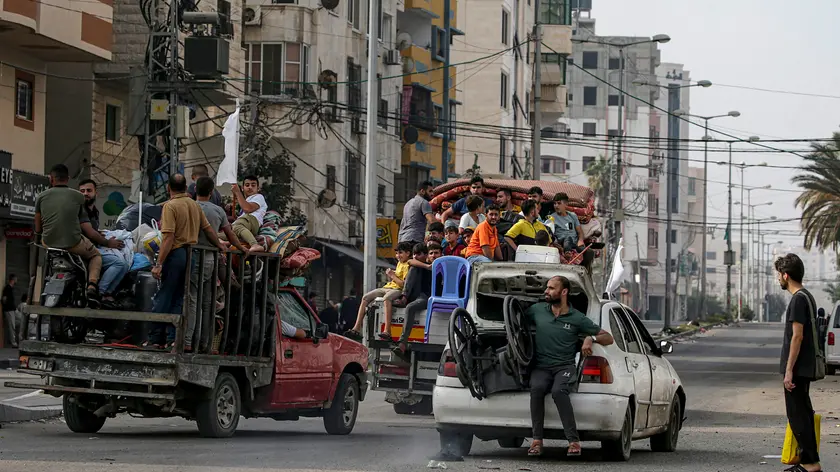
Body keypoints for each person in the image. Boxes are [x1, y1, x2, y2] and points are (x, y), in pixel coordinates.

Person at [526, 275, 613, 457]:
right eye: (547, 288)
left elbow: (608, 338)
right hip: (541, 366)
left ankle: (573, 441)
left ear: (564, 292)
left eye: (551, 288)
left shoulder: (577, 318)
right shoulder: (537, 310)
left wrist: (590, 338)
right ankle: (536, 441)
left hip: (564, 367)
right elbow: (514, 322)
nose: (546, 291)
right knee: (537, 389)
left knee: (559, 392)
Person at [147, 174, 225, 348]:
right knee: (179, 298)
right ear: (186, 187)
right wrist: (220, 245)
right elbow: (208, 229)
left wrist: (159, 264)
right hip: (191, 256)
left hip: (175, 255)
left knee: (164, 296)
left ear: (169, 188)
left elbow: (168, 238)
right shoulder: (193, 205)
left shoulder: (170, 206)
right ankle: (172, 339)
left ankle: (155, 339)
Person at [35, 164, 123, 301]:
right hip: (73, 243)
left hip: (49, 243)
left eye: (89, 190)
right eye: (84, 190)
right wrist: (107, 242)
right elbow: (87, 229)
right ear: (68, 179)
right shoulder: (77, 197)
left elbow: (38, 228)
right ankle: (92, 286)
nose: (86, 193)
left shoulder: (40, 197)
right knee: (96, 256)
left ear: (51, 179)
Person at [189, 176, 249, 351]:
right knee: (207, 302)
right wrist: (240, 248)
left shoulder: (188, 207)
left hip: (191, 256)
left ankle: (189, 341)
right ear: (211, 192)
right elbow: (230, 234)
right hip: (210, 258)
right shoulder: (218, 211)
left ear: (194, 191)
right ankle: (205, 343)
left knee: (192, 300)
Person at [775, 253, 821, 472]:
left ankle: (810, 464)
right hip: (804, 367)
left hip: (799, 368)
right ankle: (808, 461)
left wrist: (789, 371)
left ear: (786, 275)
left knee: (798, 415)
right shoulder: (807, 296)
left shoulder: (797, 300)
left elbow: (798, 336)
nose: (778, 280)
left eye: (779, 275)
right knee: (803, 413)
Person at [346, 242, 413, 340]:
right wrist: (393, 274)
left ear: (408, 253)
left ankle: (387, 330)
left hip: (397, 289)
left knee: (387, 298)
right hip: (387, 287)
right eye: (397, 253)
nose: (398, 256)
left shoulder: (408, 264)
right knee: (365, 297)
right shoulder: (399, 263)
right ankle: (356, 328)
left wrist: (392, 275)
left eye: (401, 253)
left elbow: (403, 285)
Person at [393, 243, 443, 357]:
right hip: (418, 295)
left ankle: (402, 343)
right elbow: (410, 262)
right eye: (431, 253)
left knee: (410, 307)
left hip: (430, 298)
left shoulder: (443, 266)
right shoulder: (423, 265)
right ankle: (404, 297)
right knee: (414, 268)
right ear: (427, 256)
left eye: (436, 253)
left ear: (441, 254)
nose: (434, 256)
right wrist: (427, 266)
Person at [229, 176, 268, 253]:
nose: (250, 187)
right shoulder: (246, 200)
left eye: (253, 185)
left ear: (258, 188)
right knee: (221, 234)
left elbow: (247, 209)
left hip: (252, 221)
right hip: (244, 225)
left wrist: (237, 192)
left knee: (237, 226)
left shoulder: (259, 197)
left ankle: (255, 244)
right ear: (243, 188)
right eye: (247, 185)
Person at [398, 180, 435, 245]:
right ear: (422, 191)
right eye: (430, 191)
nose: (432, 194)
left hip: (402, 239)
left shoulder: (408, 203)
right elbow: (432, 221)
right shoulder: (424, 202)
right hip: (414, 239)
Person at [2, 275, 17, 348]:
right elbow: (4, 299)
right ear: (13, 280)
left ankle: (15, 340)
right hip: (9, 310)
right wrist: (7, 306)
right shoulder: (7, 288)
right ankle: (13, 343)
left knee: (18, 322)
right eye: (15, 279)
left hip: (12, 309)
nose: (16, 280)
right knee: (12, 326)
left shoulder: (10, 288)